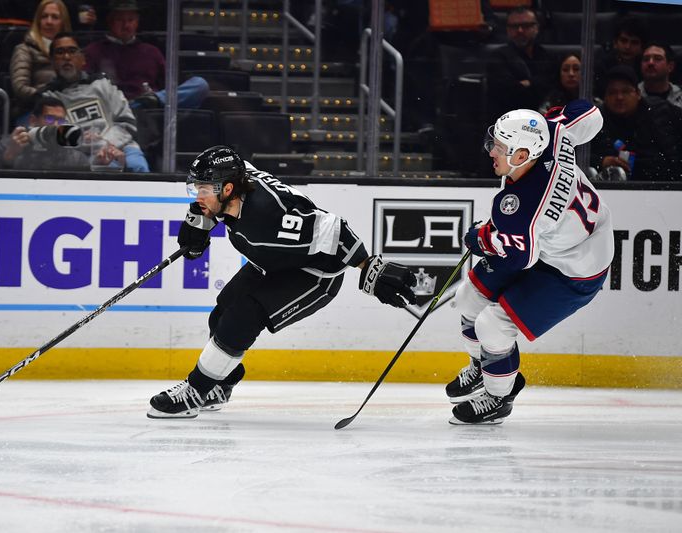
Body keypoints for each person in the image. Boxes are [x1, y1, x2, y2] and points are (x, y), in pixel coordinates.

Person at [146, 145, 420, 418]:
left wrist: (369, 266)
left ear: (227, 190)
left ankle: (196, 390)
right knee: (221, 313)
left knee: (243, 317)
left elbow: (334, 229)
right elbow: (235, 161)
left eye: (204, 189)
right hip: (272, 263)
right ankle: (220, 384)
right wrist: (202, 222)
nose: (198, 196)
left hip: (312, 275)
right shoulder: (236, 182)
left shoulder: (268, 215)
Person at [445, 101, 614, 424]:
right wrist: (552, 121)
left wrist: (481, 239)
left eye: (499, 147)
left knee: (492, 325)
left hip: (577, 268)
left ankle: (498, 397)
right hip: (553, 240)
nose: (491, 151)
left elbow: (521, 256)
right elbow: (590, 112)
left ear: (521, 156)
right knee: (467, 298)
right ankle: (483, 366)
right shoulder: (549, 133)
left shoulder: (524, 208)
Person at [40, 32, 150, 172]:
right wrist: (86, 143)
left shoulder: (103, 85)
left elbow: (127, 122)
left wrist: (106, 144)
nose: (66, 57)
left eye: (72, 51)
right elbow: (53, 135)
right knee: (106, 169)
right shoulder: (48, 98)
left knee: (138, 167)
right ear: (52, 62)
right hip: (81, 156)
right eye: (60, 52)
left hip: (122, 145)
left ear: (83, 59)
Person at [83, 0, 209, 109]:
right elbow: (84, 89)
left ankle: (147, 101)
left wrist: (157, 97)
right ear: (110, 22)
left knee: (200, 84)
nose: (126, 25)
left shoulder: (151, 51)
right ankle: (140, 104)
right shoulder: (93, 51)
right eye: (120, 20)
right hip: (113, 110)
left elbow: (170, 87)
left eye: (130, 20)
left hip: (149, 111)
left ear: (137, 22)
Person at [590, 65, 682, 181]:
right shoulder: (595, 120)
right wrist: (601, 161)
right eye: (612, 92)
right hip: (609, 189)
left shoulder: (661, 112)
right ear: (605, 97)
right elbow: (575, 155)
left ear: (638, 94)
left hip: (665, 186)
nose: (619, 97)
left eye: (626, 91)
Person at [486, 6, 554, 122]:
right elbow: (508, 93)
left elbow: (551, 84)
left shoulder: (547, 56)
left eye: (526, 26)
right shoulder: (498, 56)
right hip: (509, 121)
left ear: (536, 27)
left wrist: (527, 83)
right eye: (514, 26)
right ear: (507, 30)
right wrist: (535, 83)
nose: (520, 31)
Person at [0, 96, 92, 170]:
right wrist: (9, 156)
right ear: (33, 120)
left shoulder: (74, 156)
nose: (56, 125)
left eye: (61, 121)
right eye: (50, 118)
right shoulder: (9, 144)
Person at [10, 0, 73, 120]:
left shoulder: (72, 52)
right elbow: (20, 87)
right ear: (38, 21)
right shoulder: (24, 49)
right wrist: (47, 98)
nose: (49, 22)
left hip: (70, 109)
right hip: (34, 112)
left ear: (63, 22)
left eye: (55, 17)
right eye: (44, 16)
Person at [594, 16, 649, 98]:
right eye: (624, 41)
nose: (628, 47)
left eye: (634, 42)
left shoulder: (647, 67)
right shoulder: (602, 66)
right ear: (615, 43)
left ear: (642, 47)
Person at [638, 42, 682, 109]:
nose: (650, 63)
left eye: (657, 59)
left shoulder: (680, 96)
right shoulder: (630, 95)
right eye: (646, 59)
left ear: (670, 67)